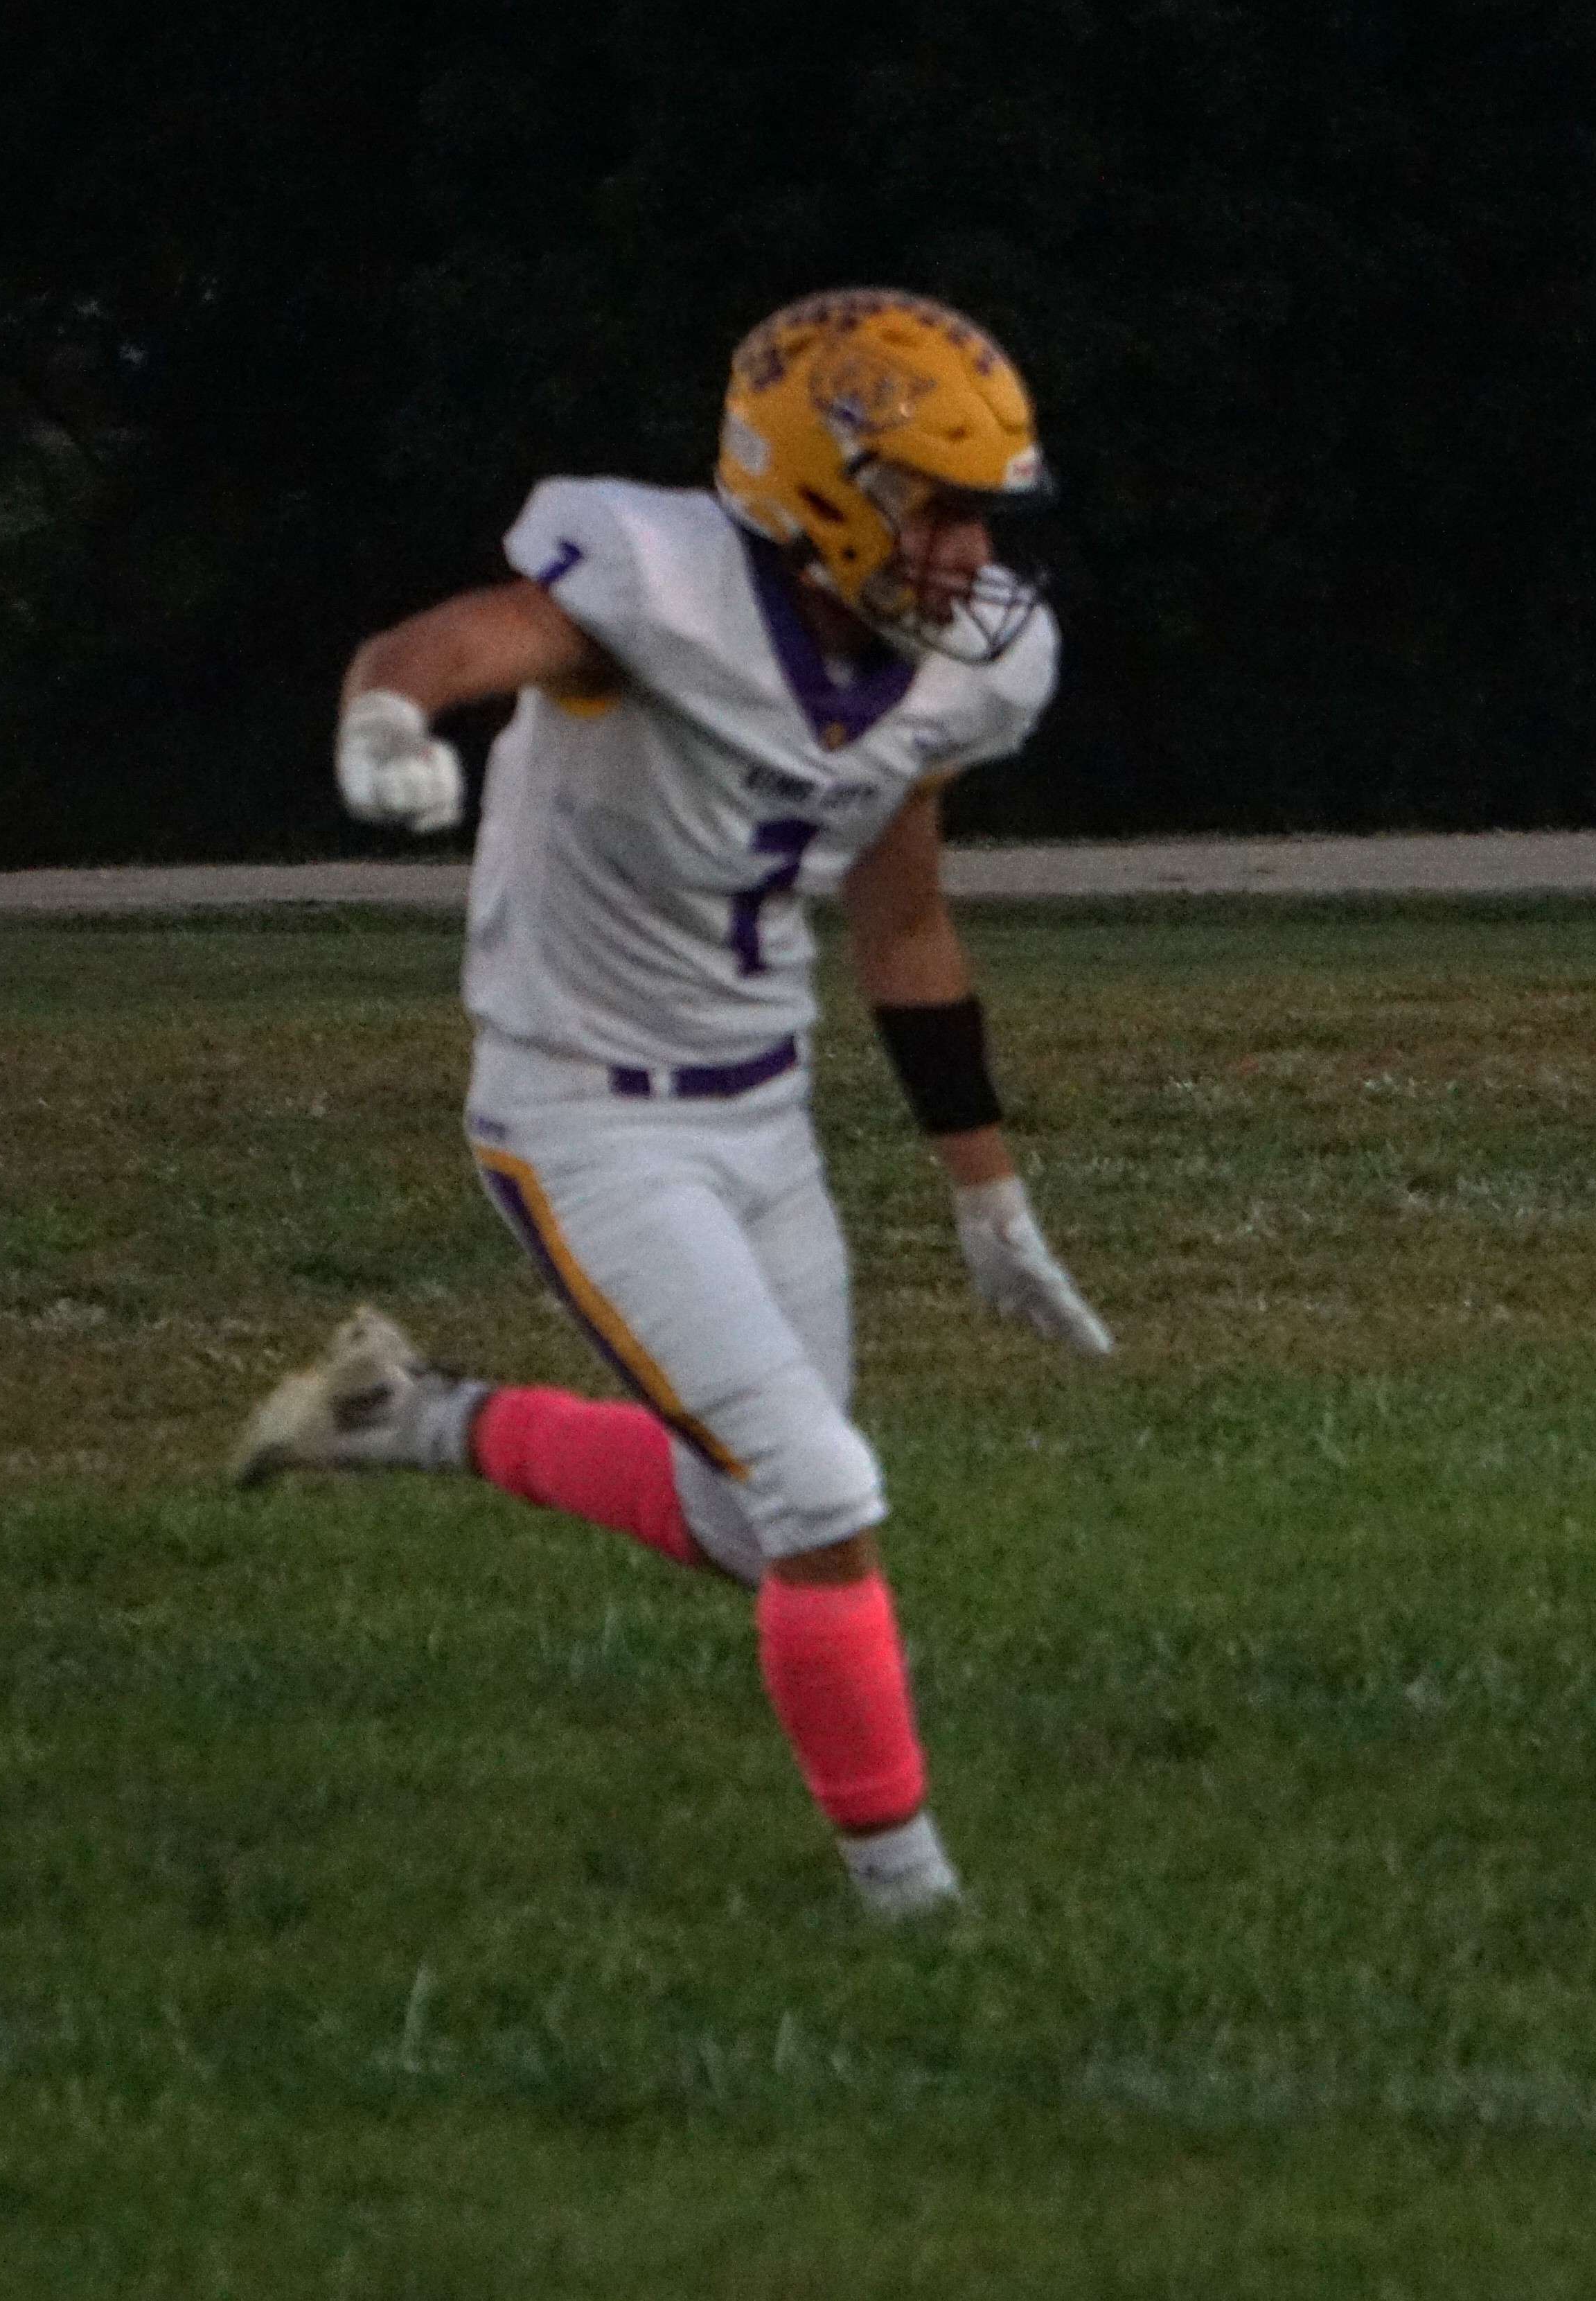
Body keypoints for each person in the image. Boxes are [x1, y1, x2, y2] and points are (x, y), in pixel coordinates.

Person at [229, 288, 1115, 1923]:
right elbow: (462, 640)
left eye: (987, 513)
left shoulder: (945, 679)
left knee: (742, 1522)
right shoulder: (657, 588)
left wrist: (988, 1197)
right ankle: (916, 1909)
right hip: (584, 1118)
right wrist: (383, 712)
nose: (968, 556)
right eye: (937, 508)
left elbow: (902, 922)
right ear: (822, 488)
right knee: (826, 1492)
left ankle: (405, 1415)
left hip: (760, 1113)